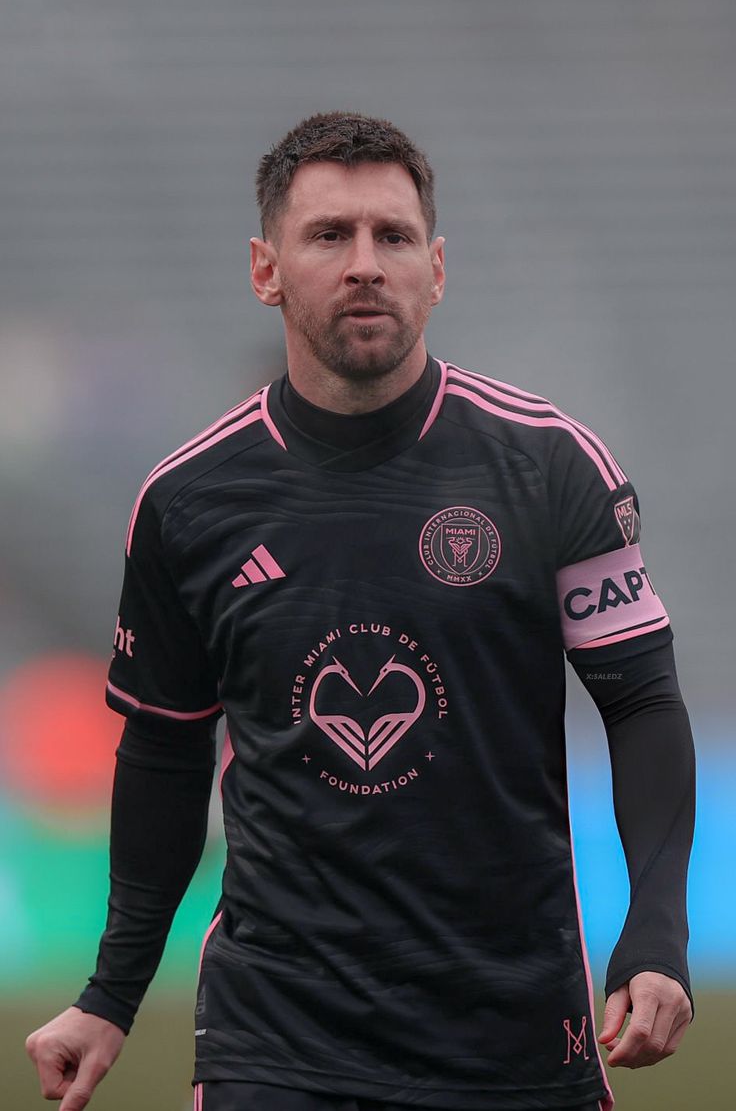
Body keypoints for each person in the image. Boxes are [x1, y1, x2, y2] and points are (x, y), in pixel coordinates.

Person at [26, 111, 695, 1111]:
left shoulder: (551, 467)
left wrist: (655, 934)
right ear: (265, 268)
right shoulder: (187, 501)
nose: (364, 263)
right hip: (277, 1036)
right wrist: (110, 993)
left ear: (436, 266)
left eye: (391, 235)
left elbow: (639, 703)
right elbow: (164, 752)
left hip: (514, 1029)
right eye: (328, 235)